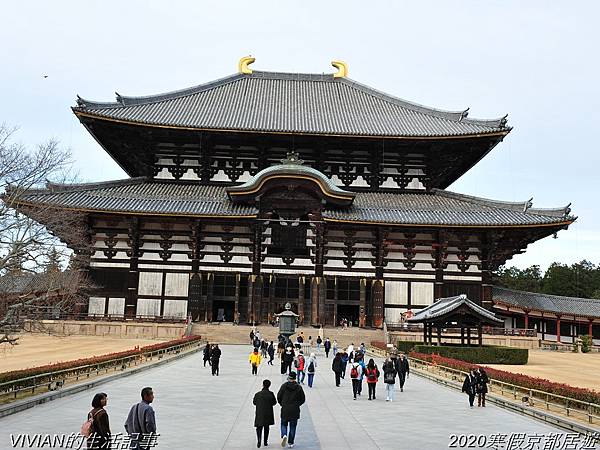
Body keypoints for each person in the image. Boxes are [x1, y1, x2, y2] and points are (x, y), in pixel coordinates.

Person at [277, 372, 306, 448]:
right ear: (295, 378)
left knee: (283, 424)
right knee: (293, 427)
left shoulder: (284, 386)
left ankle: (284, 435)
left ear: (289, 378)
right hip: (295, 410)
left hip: (285, 409)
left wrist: (282, 404)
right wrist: (297, 404)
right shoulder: (299, 387)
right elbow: (303, 399)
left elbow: (279, 396)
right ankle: (291, 442)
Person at [253, 379, 277, 448]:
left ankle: (259, 440)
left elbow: (254, 402)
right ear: (269, 385)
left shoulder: (257, 394)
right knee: (266, 427)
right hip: (268, 413)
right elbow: (274, 402)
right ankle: (265, 441)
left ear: (263, 385)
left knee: (259, 427)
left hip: (260, 413)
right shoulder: (271, 394)